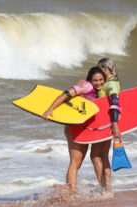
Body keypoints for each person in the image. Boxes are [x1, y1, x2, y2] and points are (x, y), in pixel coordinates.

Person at [42, 66, 106, 194]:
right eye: (95, 80)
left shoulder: (104, 88)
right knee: (76, 161)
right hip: (76, 127)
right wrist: (50, 109)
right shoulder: (85, 86)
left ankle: (99, 190)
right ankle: (71, 191)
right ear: (90, 80)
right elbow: (65, 95)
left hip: (90, 128)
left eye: (101, 80)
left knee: (91, 158)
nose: (98, 83)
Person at [78, 58, 121, 198]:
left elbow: (115, 103)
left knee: (96, 156)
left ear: (105, 69)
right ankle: (108, 189)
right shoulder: (111, 82)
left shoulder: (111, 85)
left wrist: (114, 123)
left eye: (99, 69)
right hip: (107, 122)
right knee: (102, 156)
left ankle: (105, 189)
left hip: (106, 124)